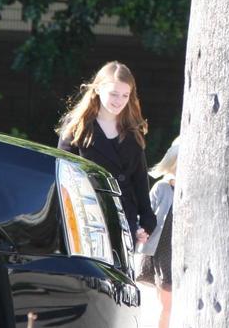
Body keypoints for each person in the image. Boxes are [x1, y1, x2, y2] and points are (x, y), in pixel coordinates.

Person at [56, 62, 157, 254]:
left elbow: (140, 179)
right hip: (85, 217)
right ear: (98, 89)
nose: (119, 101)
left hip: (123, 218)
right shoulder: (77, 126)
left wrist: (146, 222)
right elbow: (62, 175)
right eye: (113, 94)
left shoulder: (133, 130)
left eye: (125, 95)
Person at [142, 140, 177, 328]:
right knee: (167, 306)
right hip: (164, 252)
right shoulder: (162, 188)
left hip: (192, 253)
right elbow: (147, 219)